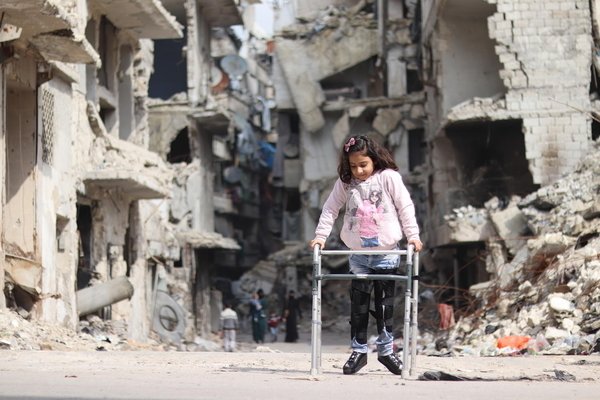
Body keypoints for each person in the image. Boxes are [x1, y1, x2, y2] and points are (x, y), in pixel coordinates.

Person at [309, 135, 423, 376]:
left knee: (384, 306)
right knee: (359, 306)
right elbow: (330, 209)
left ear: (374, 160)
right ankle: (359, 352)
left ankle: (386, 351)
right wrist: (320, 237)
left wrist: (413, 235)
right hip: (358, 254)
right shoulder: (345, 183)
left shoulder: (388, 178)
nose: (358, 170)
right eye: (353, 166)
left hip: (386, 253)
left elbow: (405, 205)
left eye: (363, 165)